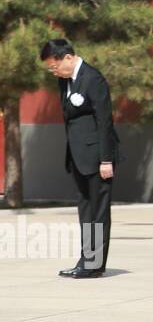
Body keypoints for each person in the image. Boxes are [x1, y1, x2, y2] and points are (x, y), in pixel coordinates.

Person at [41, 39, 118, 278]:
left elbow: (104, 121)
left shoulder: (93, 79)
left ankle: (94, 264)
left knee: (98, 212)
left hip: (96, 157)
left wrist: (106, 159)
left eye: (55, 66)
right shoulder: (64, 81)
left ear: (68, 57)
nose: (54, 71)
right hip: (77, 156)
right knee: (85, 211)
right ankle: (86, 260)